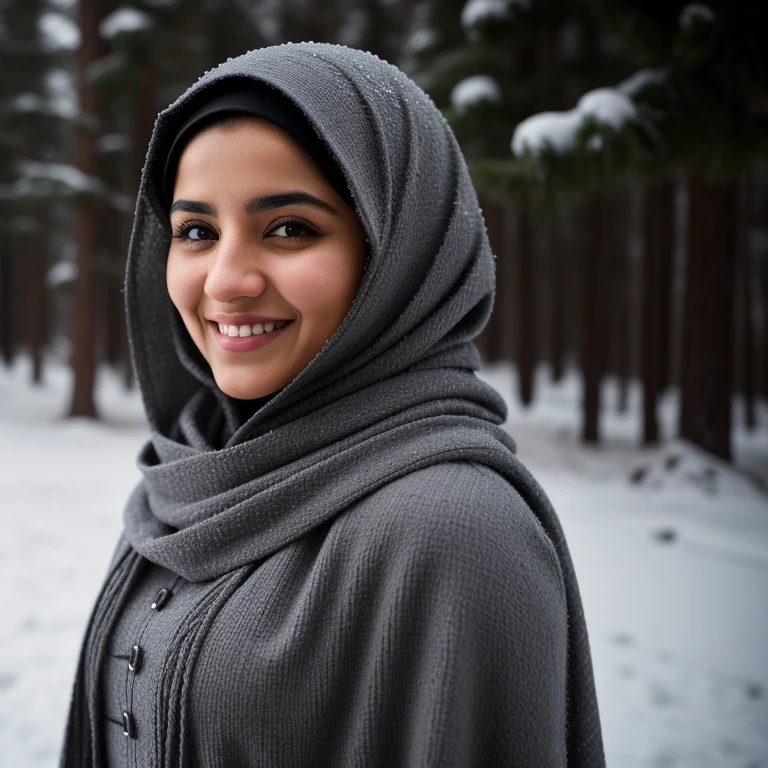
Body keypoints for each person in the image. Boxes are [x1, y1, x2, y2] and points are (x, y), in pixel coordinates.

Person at [60, 43, 605, 768]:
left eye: (289, 228)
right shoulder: (186, 480)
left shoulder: (453, 534)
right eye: (197, 231)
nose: (226, 281)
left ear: (398, 252)